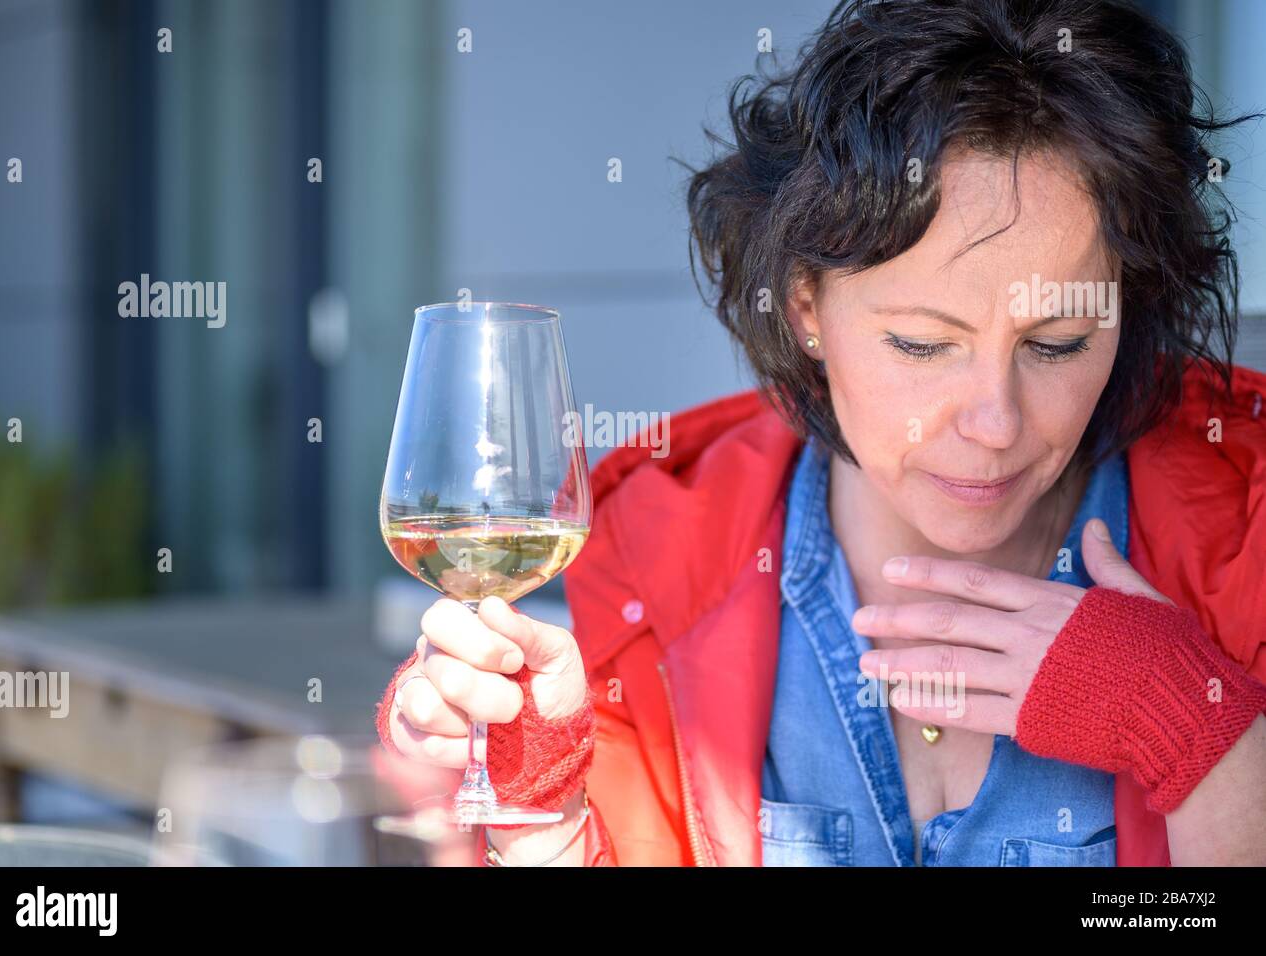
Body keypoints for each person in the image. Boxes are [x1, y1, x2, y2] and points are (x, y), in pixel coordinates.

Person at [375, 0, 1266, 866]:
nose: (996, 424)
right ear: (805, 306)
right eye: (923, 343)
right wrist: (541, 828)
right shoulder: (654, 556)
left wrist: (1204, 733)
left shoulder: (1249, 547)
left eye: (1058, 344)